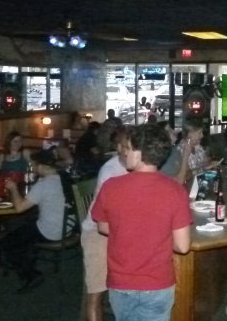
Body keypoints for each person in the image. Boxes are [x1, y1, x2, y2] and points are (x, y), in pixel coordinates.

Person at [91, 124, 192, 321]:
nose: (124, 153)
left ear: (139, 153)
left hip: (121, 281)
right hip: (157, 283)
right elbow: (182, 246)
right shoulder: (175, 191)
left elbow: (102, 226)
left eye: (128, 148)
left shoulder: (111, 186)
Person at [81, 127, 130, 321]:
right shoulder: (110, 172)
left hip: (120, 231)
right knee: (96, 292)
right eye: (127, 146)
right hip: (97, 233)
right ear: (119, 147)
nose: (132, 151)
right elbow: (108, 220)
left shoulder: (137, 166)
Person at [1, 148, 67, 291]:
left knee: (8, 243)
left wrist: (13, 188)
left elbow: (19, 208)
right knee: (25, 227)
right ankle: (28, 253)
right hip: (68, 227)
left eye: (34, 165)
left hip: (51, 232)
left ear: (41, 166)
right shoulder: (63, 177)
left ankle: (31, 275)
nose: (33, 168)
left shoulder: (43, 185)